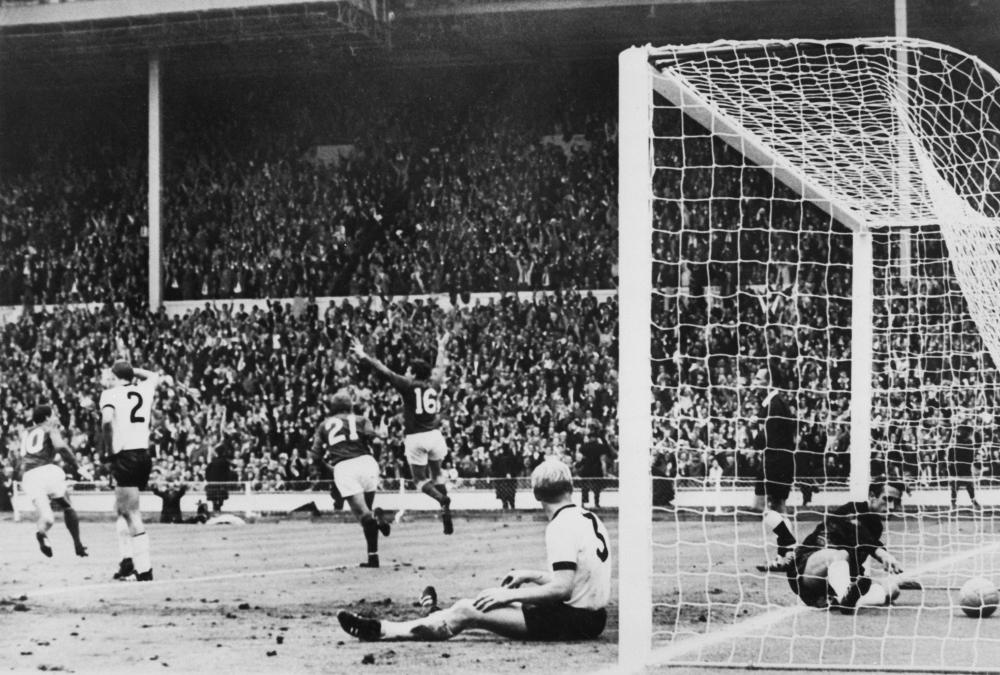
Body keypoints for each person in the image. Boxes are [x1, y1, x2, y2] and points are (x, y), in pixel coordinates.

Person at [337, 459, 611, 642]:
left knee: (470, 609)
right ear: (570, 488)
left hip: (573, 620)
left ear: (536, 495)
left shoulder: (560, 525)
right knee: (490, 607)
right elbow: (577, 578)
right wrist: (528, 574)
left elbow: (561, 588)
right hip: (591, 618)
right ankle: (436, 614)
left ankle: (383, 630)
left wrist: (507, 594)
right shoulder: (589, 518)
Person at [352, 333, 454, 534]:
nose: (406, 372)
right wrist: (441, 346)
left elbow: (384, 371)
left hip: (416, 437)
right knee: (437, 474)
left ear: (414, 374)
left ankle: (441, 499)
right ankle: (445, 510)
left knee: (420, 481)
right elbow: (440, 368)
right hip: (435, 435)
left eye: (408, 370)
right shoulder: (434, 384)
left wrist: (363, 355)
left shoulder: (408, 385)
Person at [787, 479, 916, 612]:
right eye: (887, 499)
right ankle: (845, 597)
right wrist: (882, 553)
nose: (892, 507)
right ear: (872, 496)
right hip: (806, 573)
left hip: (837, 581)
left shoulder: (876, 526)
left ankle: (846, 599)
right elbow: (860, 533)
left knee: (892, 589)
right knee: (842, 554)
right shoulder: (851, 510)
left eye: (896, 501)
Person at [311, 390, 391, 568]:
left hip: (345, 466)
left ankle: (376, 523)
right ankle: (373, 557)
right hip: (368, 463)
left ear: (332, 408)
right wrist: (375, 460)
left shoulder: (324, 425)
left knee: (364, 516)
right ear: (350, 406)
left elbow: (315, 456)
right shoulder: (362, 419)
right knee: (367, 512)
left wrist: (329, 469)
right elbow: (377, 442)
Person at [100, 360, 160, 582]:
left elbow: (106, 422)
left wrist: (110, 451)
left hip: (125, 456)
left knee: (131, 513)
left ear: (115, 377)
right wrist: (130, 370)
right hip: (143, 455)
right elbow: (154, 374)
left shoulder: (110, 395)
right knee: (123, 509)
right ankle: (127, 561)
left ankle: (143, 569)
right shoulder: (144, 389)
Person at [11, 405, 88, 558]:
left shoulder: (25, 432)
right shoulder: (49, 428)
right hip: (47, 471)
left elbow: (22, 459)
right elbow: (61, 446)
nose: (55, 418)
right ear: (46, 418)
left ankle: (41, 533)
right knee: (67, 506)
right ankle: (78, 543)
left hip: (30, 476)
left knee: (47, 518)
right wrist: (77, 466)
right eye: (53, 415)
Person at [750, 362, 798, 573]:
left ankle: (790, 544)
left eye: (759, 379)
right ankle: (783, 558)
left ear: (770, 382)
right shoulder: (775, 402)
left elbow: (766, 439)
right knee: (779, 508)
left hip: (775, 461)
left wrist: (753, 430)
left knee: (761, 505)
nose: (755, 383)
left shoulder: (774, 404)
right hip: (781, 460)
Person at [576, 427, 616, 509]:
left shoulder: (584, 447)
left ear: (589, 438)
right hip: (596, 468)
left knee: (584, 486)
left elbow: (581, 458)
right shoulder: (600, 447)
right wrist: (604, 472)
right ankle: (596, 503)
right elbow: (603, 460)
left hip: (587, 468)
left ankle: (583, 502)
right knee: (597, 487)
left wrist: (579, 466)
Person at [948, 425, 981, 510]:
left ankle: (953, 504)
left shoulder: (955, 444)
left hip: (956, 469)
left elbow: (949, 457)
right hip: (964, 469)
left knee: (955, 488)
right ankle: (974, 502)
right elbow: (971, 457)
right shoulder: (969, 444)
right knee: (968, 487)